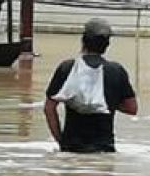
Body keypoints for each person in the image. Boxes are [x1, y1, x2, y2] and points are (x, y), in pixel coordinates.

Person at [44, 17, 138, 153]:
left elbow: (49, 108)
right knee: (102, 172)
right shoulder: (116, 71)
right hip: (104, 149)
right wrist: (108, 101)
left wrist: (61, 140)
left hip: (71, 148)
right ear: (107, 45)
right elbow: (132, 108)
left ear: (83, 41)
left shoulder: (67, 68)